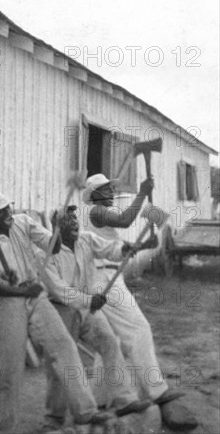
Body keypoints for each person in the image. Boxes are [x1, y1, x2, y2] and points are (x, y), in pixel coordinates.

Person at [0, 192, 118, 433]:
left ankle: (85, 412)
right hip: (8, 303)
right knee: (11, 372)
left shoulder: (22, 222)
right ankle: (4, 429)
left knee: (64, 346)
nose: (8, 214)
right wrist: (22, 292)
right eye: (1, 212)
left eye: (9, 208)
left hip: (35, 296)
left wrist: (54, 228)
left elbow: (55, 247)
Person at [41, 206, 152, 431]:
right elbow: (59, 290)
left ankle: (125, 400)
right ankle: (54, 417)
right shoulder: (45, 252)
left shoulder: (86, 240)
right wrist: (88, 300)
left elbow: (110, 249)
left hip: (88, 310)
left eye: (75, 218)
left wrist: (125, 248)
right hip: (60, 310)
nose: (74, 223)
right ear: (55, 227)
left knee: (110, 343)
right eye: (67, 220)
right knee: (62, 363)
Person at [83, 174, 185, 414]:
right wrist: (142, 192)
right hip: (102, 279)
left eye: (111, 189)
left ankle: (98, 399)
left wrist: (146, 243)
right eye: (105, 190)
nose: (110, 193)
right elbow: (126, 220)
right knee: (139, 328)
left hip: (108, 276)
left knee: (110, 340)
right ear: (94, 195)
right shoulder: (96, 212)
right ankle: (157, 391)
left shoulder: (102, 217)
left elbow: (118, 244)